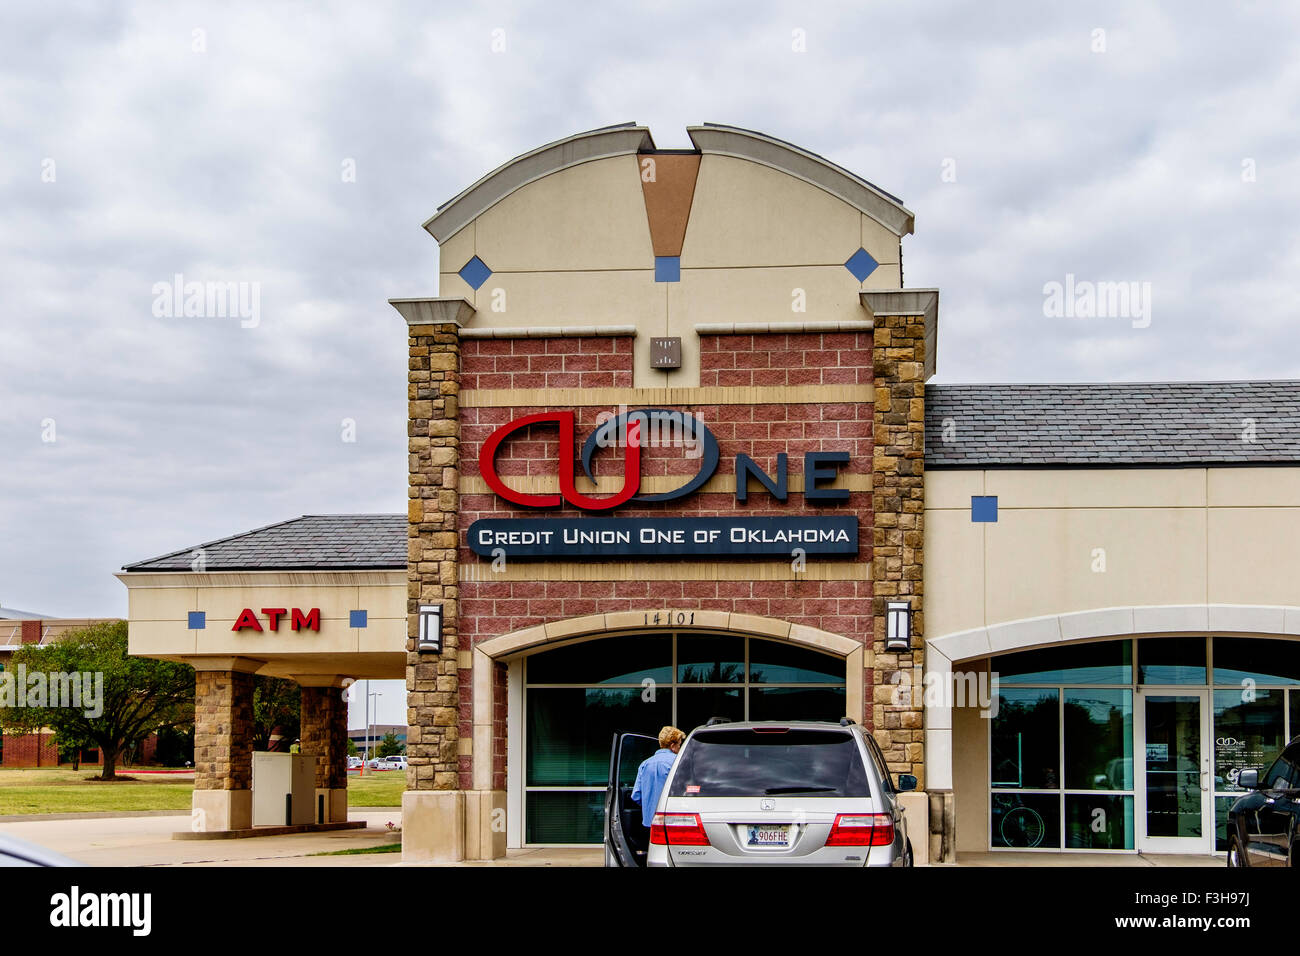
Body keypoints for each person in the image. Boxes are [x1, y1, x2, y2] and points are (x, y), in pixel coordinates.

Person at [631, 726, 686, 828]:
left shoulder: (644, 764)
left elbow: (636, 795)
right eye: (679, 745)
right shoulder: (678, 763)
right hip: (672, 822)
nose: (679, 748)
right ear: (672, 745)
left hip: (649, 824)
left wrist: (649, 805)